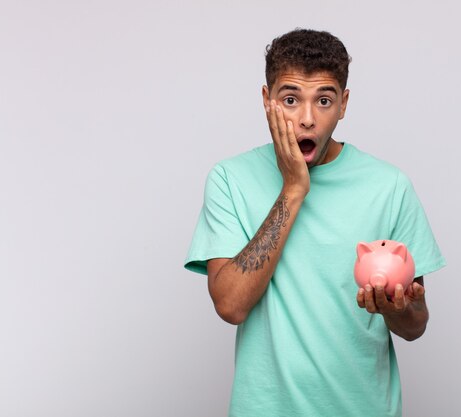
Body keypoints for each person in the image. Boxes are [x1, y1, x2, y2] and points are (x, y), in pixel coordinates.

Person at [184, 28, 446, 417]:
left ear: (343, 104)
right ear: (266, 100)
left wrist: (395, 308)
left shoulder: (388, 186)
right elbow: (231, 305)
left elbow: (414, 326)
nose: (307, 119)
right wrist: (293, 189)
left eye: (323, 100)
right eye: (290, 99)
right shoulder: (230, 179)